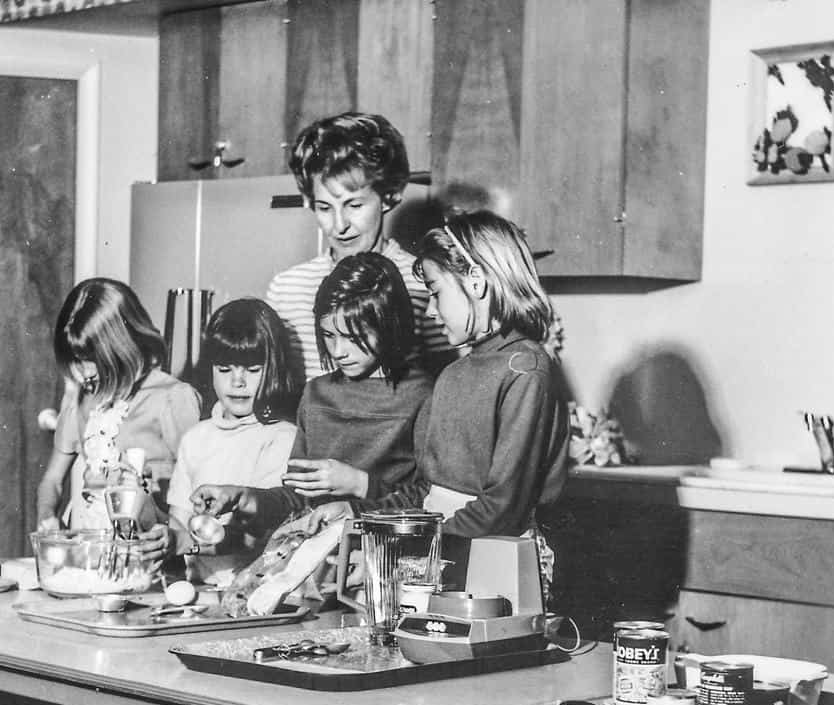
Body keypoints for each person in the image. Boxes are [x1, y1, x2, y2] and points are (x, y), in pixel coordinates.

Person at [308, 209, 570, 563]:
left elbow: (503, 508)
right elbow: (425, 494)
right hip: (443, 552)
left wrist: (411, 551)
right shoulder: (453, 373)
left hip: (495, 561)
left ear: (476, 281)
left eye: (436, 292)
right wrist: (359, 516)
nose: (431, 310)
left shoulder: (525, 369)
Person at [194, 251, 433, 532]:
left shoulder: (423, 396)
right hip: (315, 557)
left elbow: (430, 500)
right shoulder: (316, 394)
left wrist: (359, 485)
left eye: (354, 337)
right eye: (329, 336)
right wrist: (243, 497)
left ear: (389, 323)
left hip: (381, 555)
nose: (338, 351)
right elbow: (296, 501)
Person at [266, 111, 456, 383]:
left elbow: (445, 386)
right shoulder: (286, 289)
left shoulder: (423, 282)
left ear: (389, 196)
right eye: (324, 208)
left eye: (354, 205)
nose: (339, 225)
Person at [35, 277, 201, 533]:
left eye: (89, 359)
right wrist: (47, 516)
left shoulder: (171, 397)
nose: (82, 372)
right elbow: (52, 482)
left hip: (151, 552)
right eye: (74, 360)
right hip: (90, 548)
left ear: (120, 345)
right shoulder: (80, 399)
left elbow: (197, 493)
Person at [162, 298, 300, 584]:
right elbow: (179, 520)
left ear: (274, 368)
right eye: (225, 369)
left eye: (252, 370)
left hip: (256, 590)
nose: (237, 382)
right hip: (198, 587)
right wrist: (163, 535)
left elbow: (257, 539)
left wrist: (185, 543)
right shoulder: (195, 438)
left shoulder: (281, 437)